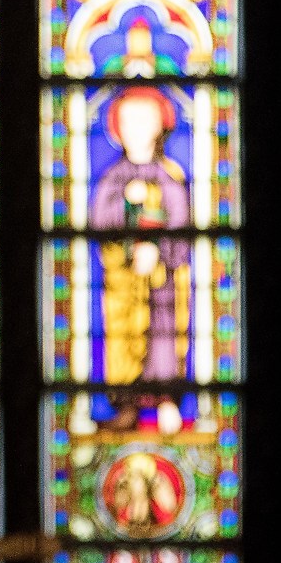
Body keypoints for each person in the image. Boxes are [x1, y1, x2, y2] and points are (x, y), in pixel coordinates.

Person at [88, 87, 192, 386]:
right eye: (128, 122)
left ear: (160, 126)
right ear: (117, 130)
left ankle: (164, 401)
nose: (136, 129)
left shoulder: (170, 174)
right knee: (122, 336)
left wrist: (158, 251)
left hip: (161, 281)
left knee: (162, 336)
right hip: (122, 280)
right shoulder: (112, 175)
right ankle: (126, 403)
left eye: (144, 121)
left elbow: (180, 220)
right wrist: (126, 203)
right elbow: (100, 220)